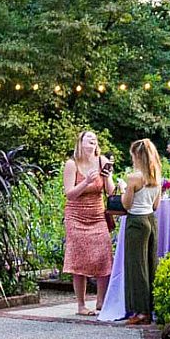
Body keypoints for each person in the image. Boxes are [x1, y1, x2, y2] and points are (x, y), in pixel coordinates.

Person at [62, 130, 114, 315]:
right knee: (79, 258)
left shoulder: (103, 161)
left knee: (104, 255)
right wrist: (86, 182)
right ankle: (81, 305)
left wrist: (107, 177)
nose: (92, 141)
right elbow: (69, 193)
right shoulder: (71, 164)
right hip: (76, 216)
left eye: (95, 139)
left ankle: (101, 302)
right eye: (88, 138)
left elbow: (111, 191)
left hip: (97, 214)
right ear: (81, 142)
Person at [122, 139, 162, 325]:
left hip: (136, 221)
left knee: (136, 267)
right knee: (151, 264)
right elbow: (156, 204)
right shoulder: (157, 175)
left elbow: (126, 204)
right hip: (150, 220)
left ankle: (141, 311)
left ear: (137, 156)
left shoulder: (134, 177)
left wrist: (124, 189)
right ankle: (154, 306)